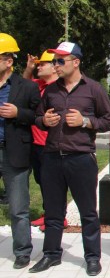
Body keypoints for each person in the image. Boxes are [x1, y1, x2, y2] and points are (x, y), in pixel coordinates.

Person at [30, 41, 110, 276]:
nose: (56, 65)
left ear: (76, 62)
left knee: (88, 212)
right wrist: (44, 121)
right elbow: (37, 117)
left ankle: (92, 258)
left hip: (81, 158)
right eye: (54, 61)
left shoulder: (93, 89)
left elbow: (108, 121)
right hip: (52, 158)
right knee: (53, 211)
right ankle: (51, 254)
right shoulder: (51, 91)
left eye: (60, 60)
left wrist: (85, 121)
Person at [0, 33, 41, 269]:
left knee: (18, 207)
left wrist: (18, 113)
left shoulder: (27, 87)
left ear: (8, 61)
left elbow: (38, 117)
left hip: (14, 153)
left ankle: (23, 252)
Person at [23, 50, 62, 230]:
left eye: (42, 64)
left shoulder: (58, 88)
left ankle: (58, 217)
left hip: (50, 143)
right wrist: (29, 68)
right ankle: (49, 214)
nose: (39, 67)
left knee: (53, 182)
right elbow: (22, 86)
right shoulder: (38, 84)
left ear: (54, 67)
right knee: (42, 180)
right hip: (36, 143)